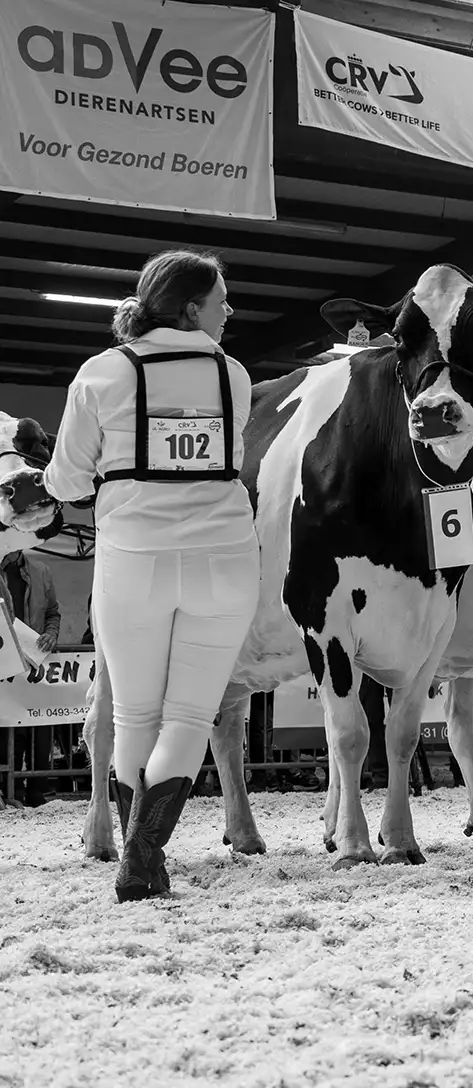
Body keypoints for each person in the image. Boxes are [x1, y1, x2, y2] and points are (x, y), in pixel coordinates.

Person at [44, 250, 259, 901]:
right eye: (221, 300)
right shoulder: (233, 375)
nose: (229, 310)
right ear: (191, 309)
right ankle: (143, 856)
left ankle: (138, 857)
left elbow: (68, 482)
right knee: (189, 716)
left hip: (135, 559)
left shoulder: (103, 372)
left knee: (135, 715)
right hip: (224, 559)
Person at [3, 547, 61, 803]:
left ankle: (38, 791)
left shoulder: (41, 571)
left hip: (37, 664)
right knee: (8, 731)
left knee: (41, 729)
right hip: (5, 666)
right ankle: (10, 790)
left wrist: (51, 634)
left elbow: (53, 612)